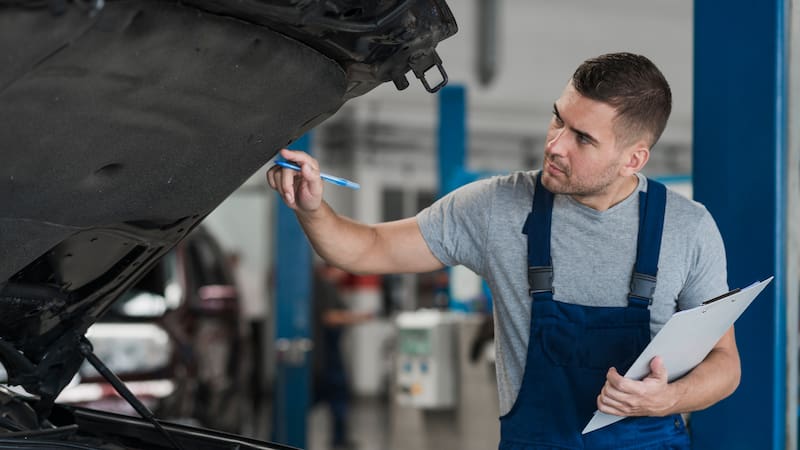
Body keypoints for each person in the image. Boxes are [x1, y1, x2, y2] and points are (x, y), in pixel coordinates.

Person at [267, 52, 739, 449]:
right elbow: (366, 249)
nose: (555, 145)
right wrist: (312, 209)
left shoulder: (688, 228)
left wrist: (668, 400)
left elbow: (725, 365)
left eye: (583, 139)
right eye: (559, 118)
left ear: (633, 158)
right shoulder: (497, 208)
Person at [311, 263, 373, 450]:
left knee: (336, 398)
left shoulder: (327, 287)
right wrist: (358, 318)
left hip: (329, 353)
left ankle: (339, 439)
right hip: (325, 354)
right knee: (332, 395)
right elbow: (329, 317)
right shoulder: (323, 286)